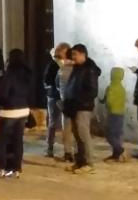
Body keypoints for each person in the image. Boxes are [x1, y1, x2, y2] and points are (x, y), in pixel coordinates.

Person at [61, 43, 100, 172]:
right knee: (77, 136)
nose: (73, 57)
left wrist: (78, 100)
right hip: (73, 106)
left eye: (75, 54)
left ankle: (89, 163)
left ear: (83, 54)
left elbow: (92, 91)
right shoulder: (78, 67)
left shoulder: (89, 69)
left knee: (83, 135)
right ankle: (80, 161)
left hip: (83, 107)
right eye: (72, 54)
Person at [0, 47, 31, 178]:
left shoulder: (9, 74)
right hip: (24, 110)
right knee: (18, 140)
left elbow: (3, 94)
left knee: (3, 140)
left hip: (9, 110)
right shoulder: (28, 74)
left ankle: (2, 167)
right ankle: (17, 168)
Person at [44, 43, 68, 158]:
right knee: (53, 123)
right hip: (54, 97)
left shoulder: (68, 64)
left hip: (64, 97)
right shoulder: (53, 65)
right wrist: (56, 89)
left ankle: (67, 150)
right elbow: (47, 81)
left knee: (66, 125)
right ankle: (50, 147)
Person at [104, 66, 129, 161]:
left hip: (112, 114)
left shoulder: (110, 87)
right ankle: (116, 155)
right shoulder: (122, 88)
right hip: (120, 114)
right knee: (117, 135)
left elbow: (109, 101)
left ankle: (120, 150)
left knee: (110, 135)